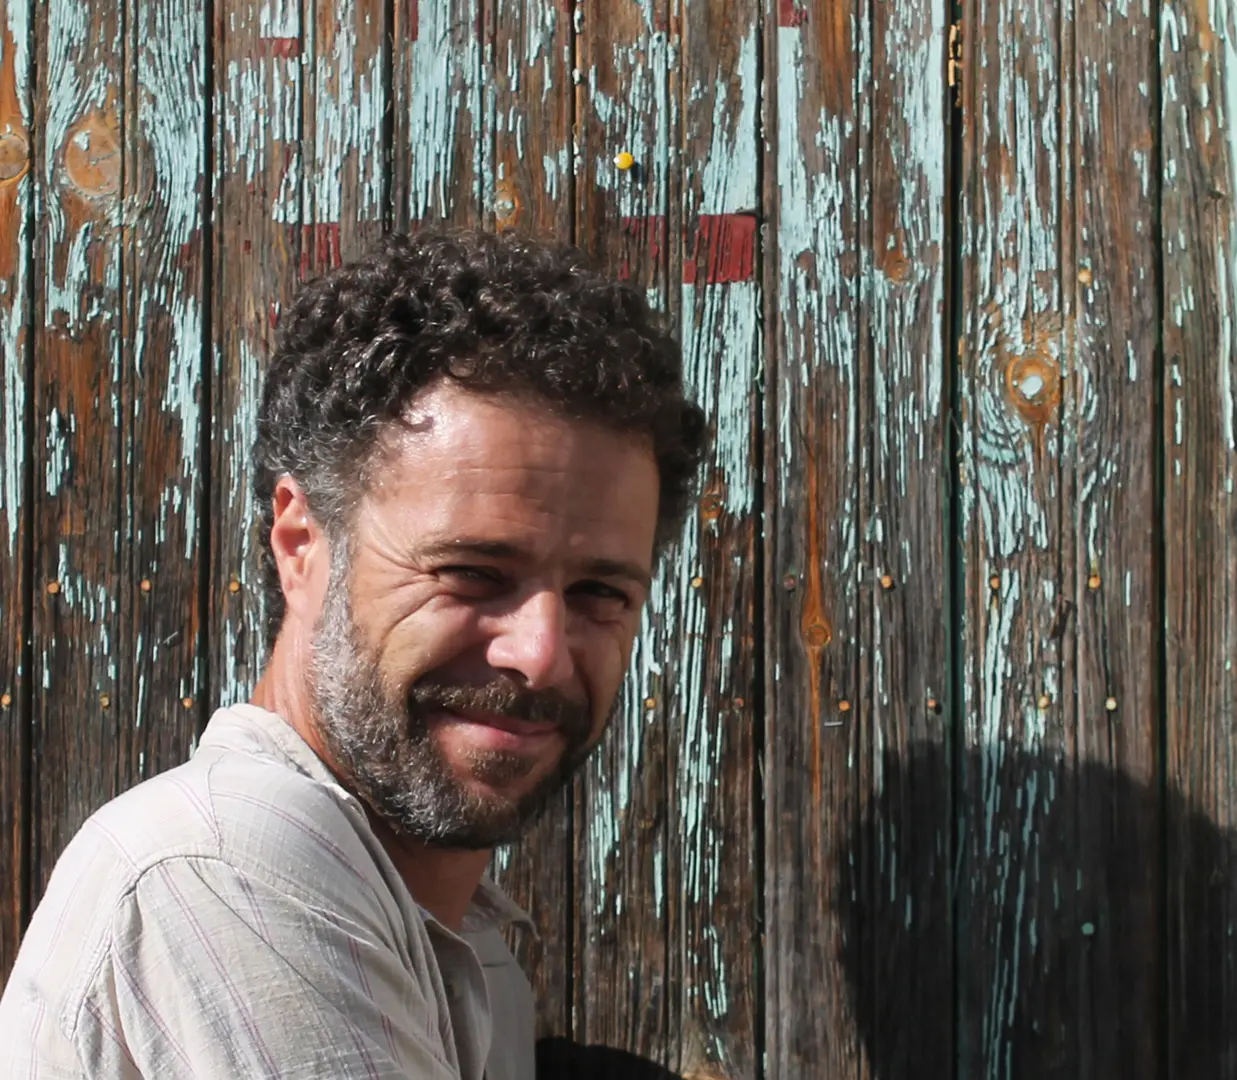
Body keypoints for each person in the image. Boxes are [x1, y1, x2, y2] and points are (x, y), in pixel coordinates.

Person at [0, 228, 706, 1079]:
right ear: (300, 545)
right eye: (472, 573)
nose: (540, 654)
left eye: (599, 592)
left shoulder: (459, 942)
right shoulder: (234, 862)